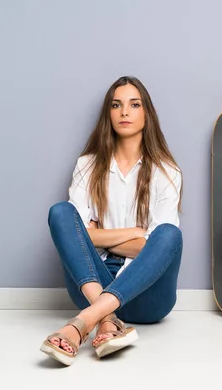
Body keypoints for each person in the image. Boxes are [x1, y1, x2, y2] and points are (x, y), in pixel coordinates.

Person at [40, 76, 183, 366]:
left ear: (147, 114)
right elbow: (73, 234)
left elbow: (155, 250)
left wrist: (95, 236)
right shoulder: (87, 165)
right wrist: (133, 233)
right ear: (108, 114)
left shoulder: (166, 172)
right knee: (60, 212)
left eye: (134, 104)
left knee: (169, 234)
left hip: (148, 297)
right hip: (94, 283)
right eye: (116, 105)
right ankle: (107, 321)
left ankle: (82, 324)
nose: (125, 112)